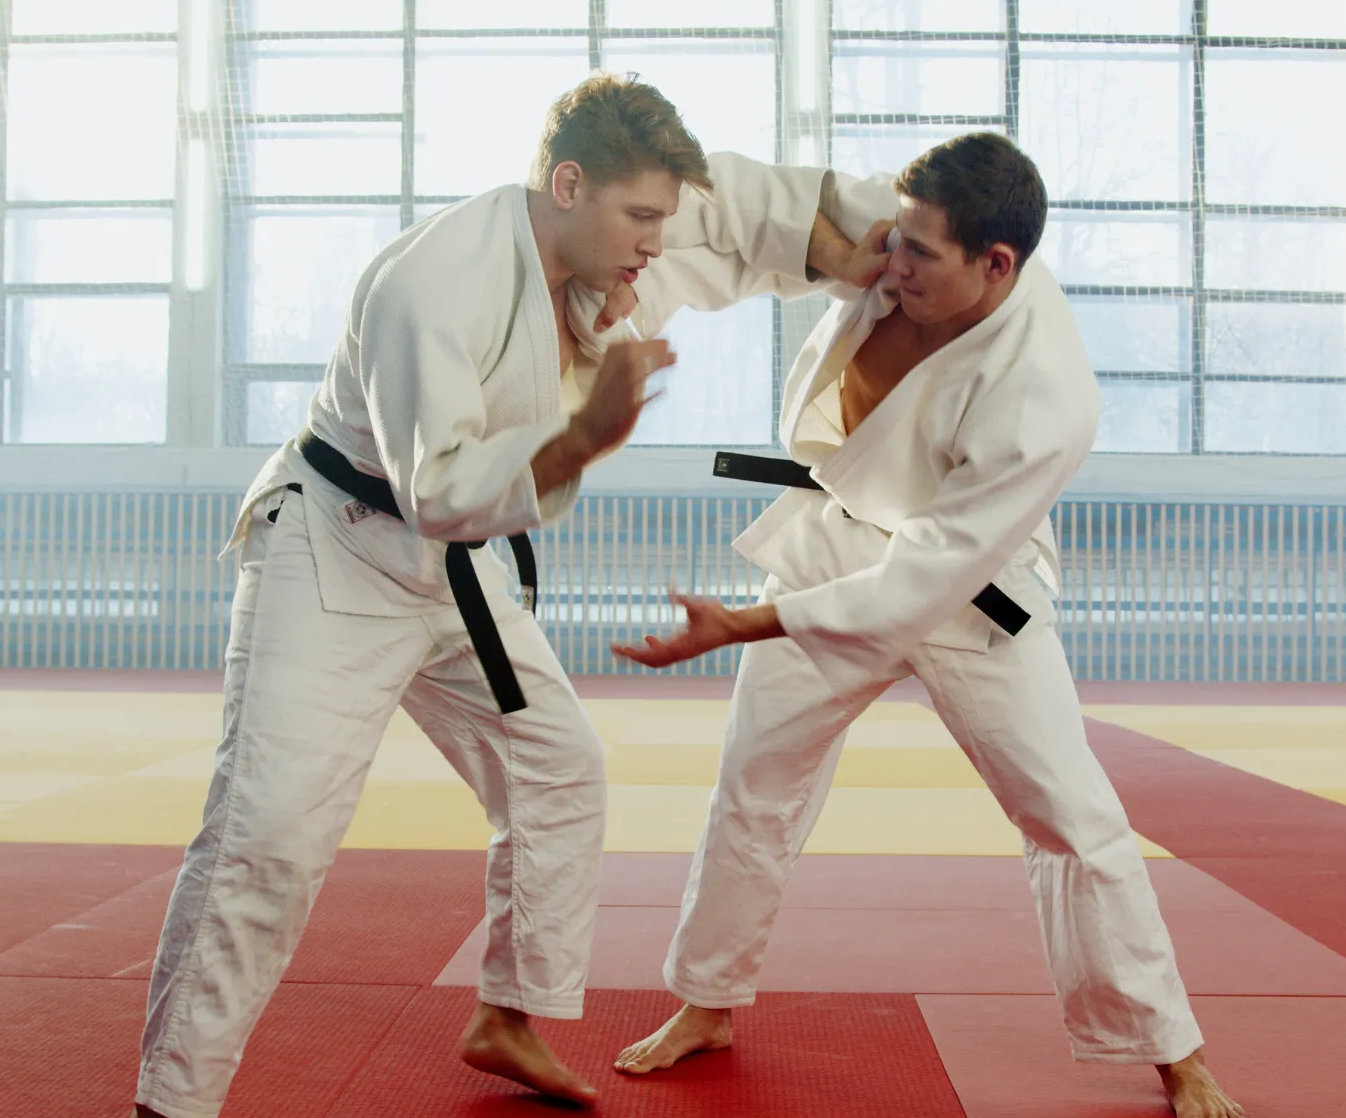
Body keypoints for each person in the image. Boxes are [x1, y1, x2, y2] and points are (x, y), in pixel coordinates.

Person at [131, 74, 888, 1118]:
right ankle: (171, 1101)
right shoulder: (431, 285)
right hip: (339, 552)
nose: (655, 244)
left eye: (661, 218)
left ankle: (506, 1014)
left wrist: (847, 243)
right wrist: (582, 434)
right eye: (639, 219)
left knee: (558, 770)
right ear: (565, 183)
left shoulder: (602, 229)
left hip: (456, 571)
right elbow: (436, 488)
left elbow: (743, 207)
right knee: (265, 840)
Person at [605, 134, 1245, 1118]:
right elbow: (734, 204)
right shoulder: (898, 227)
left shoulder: (1047, 396)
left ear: (995, 265)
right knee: (753, 782)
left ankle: (1171, 1049)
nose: (889, 264)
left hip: (969, 592)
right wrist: (624, 242)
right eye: (893, 240)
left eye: (916, 256)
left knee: (1071, 819)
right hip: (832, 535)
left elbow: (921, 580)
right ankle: (705, 1000)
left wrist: (743, 621)